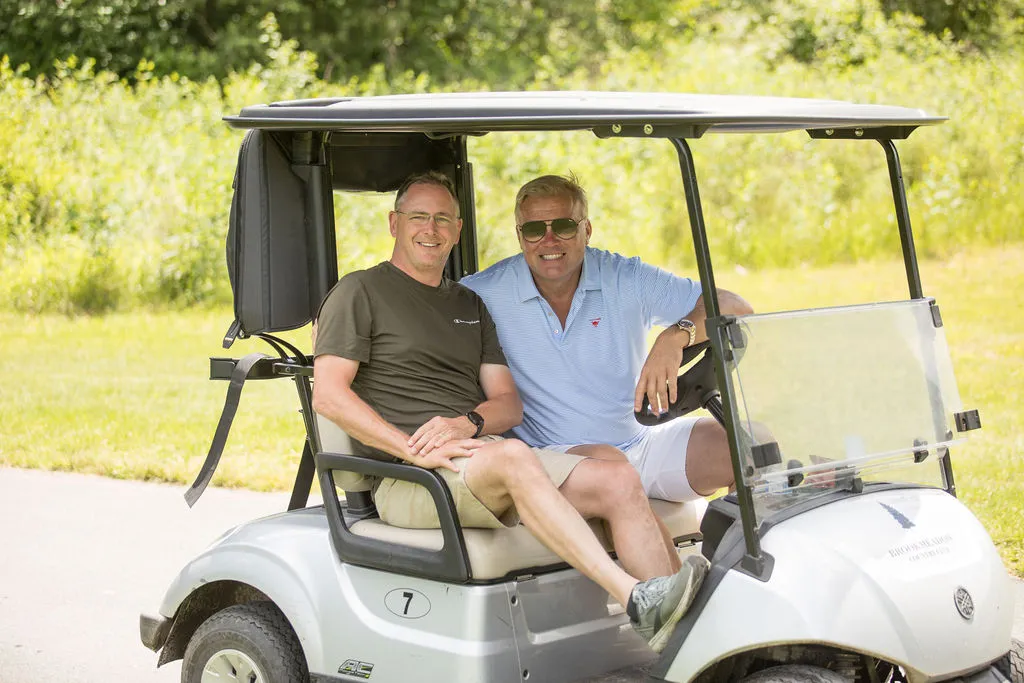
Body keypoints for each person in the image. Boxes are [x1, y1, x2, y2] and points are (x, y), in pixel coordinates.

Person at [312, 171, 707, 653]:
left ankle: (690, 642)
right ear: (394, 223)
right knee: (516, 456)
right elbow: (329, 395)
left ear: (458, 230)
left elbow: (506, 403)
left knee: (615, 474)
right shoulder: (360, 292)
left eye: (442, 219)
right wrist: (414, 450)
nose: (430, 229)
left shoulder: (469, 303)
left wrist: (466, 424)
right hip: (413, 479)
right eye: (418, 217)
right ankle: (635, 598)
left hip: (480, 459)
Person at [461, 173, 753, 504]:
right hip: (555, 459)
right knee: (608, 466)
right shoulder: (482, 292)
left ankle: (737, 553)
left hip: (640, 442)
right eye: (533, 230)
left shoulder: (625, 277)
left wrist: (675, 337)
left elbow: (736, 306)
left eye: (564, 227)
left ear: (586, 230)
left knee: (748, 446)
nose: (549, 240)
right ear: (519, 236)